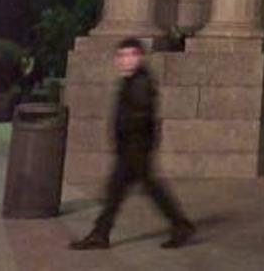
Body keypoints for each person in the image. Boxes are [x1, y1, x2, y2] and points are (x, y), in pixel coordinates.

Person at [71, 39, 195, 251]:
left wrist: (131, 138)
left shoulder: (140, 82)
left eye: (132, 55)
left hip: (135, 147)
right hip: (132, 146)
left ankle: (180, 224)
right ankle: (101, 233)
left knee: (140, 189)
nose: (126, 60)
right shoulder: (132, 80)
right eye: (122, 55)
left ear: (140, 57)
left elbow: (141, 115)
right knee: (122, 191)